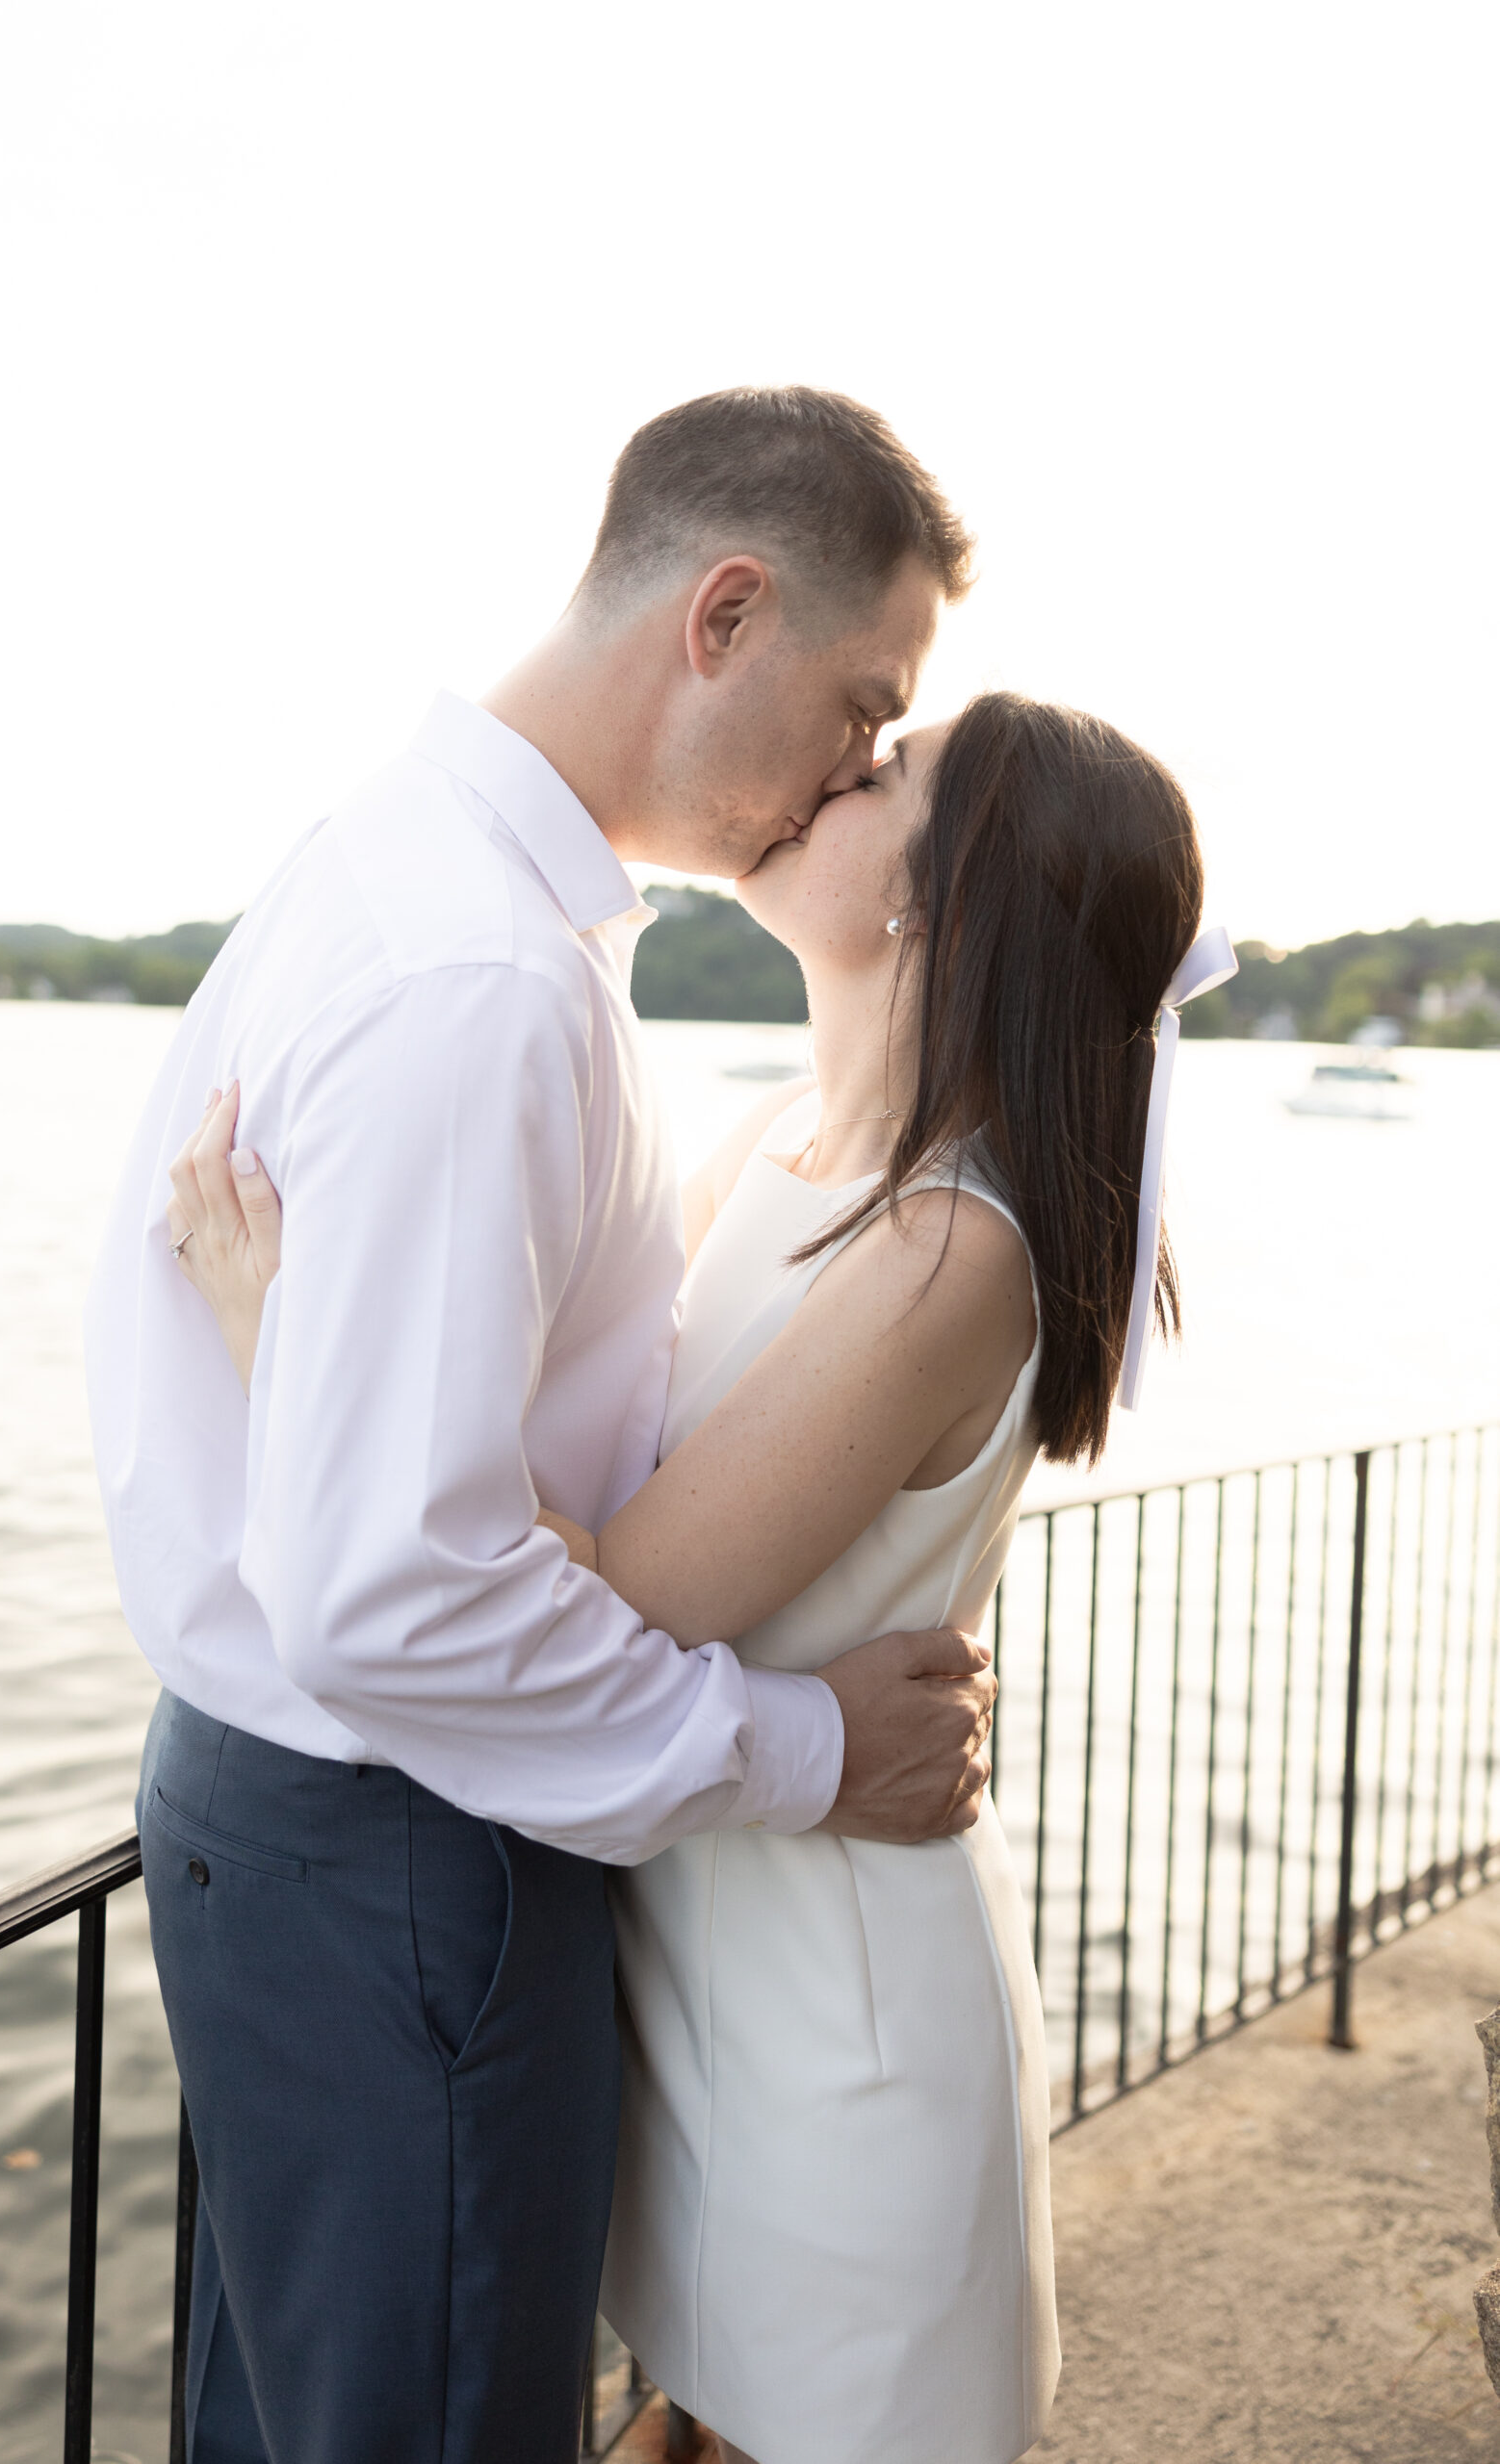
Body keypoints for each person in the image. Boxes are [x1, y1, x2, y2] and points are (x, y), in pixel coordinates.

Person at [84, 386, 1001, 2464]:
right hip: (401, 1845)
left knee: (311, 2411)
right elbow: (396, 1587)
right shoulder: (475, 977)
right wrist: (799, 1745)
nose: (853, 765)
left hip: (301, 1818)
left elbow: (385, 1482)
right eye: (858, 704)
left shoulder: (412, 877)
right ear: (723, 612)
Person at [166, 692, 1226, 2463]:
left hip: (834, 2023)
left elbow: (626, 1592)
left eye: (893, 772)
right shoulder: (779, 1152)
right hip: (703, 1956)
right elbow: (551, 1478)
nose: (838, 770)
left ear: (948, 905)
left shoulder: (949, 1245)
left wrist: (304, 1360)